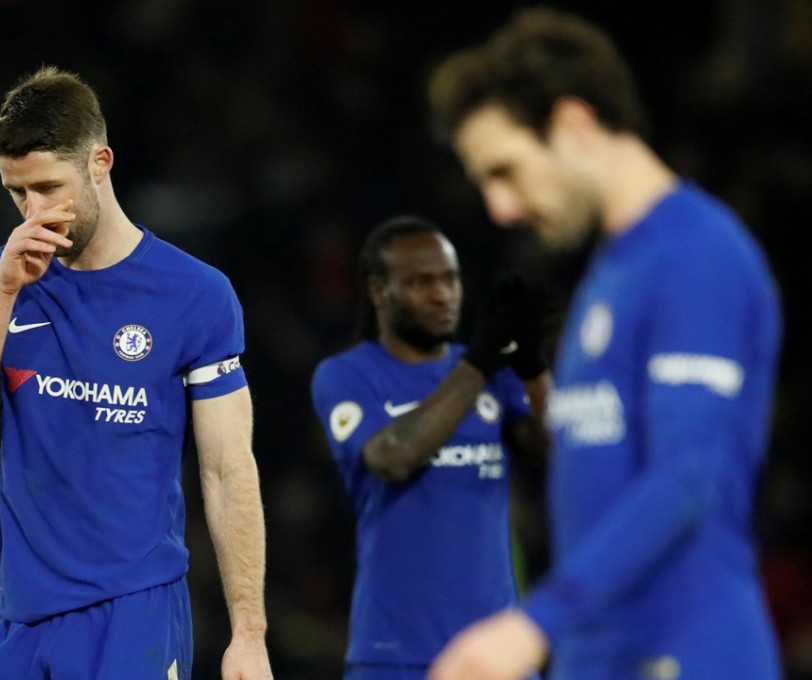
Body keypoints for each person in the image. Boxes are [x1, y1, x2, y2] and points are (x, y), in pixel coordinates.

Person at [426, 9, 783, 680]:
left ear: (574, 124)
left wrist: (534, 623)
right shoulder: (609, 278)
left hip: (688, 654)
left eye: (506, 170)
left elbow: (688, 476)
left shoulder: (697, 255)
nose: (500, 209)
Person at [0, 66, 273, 680]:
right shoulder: (1, 279)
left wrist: (249, 633)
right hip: (20, 614)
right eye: (16, 192)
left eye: (46, 187)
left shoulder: (196, 295)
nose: (32, 211)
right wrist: (3, 291)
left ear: (99, 163)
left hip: (132, 612)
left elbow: (226, 469)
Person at [309, 215, 550, 680]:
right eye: (422, 282)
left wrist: (533, 367)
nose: (443, 295)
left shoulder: (488, 372)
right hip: (396, 653)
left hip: (498, 651)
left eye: (450, 279)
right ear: (379, 292)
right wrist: (480, 361)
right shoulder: (347, 376)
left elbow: (555, 453)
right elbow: (394, 458)